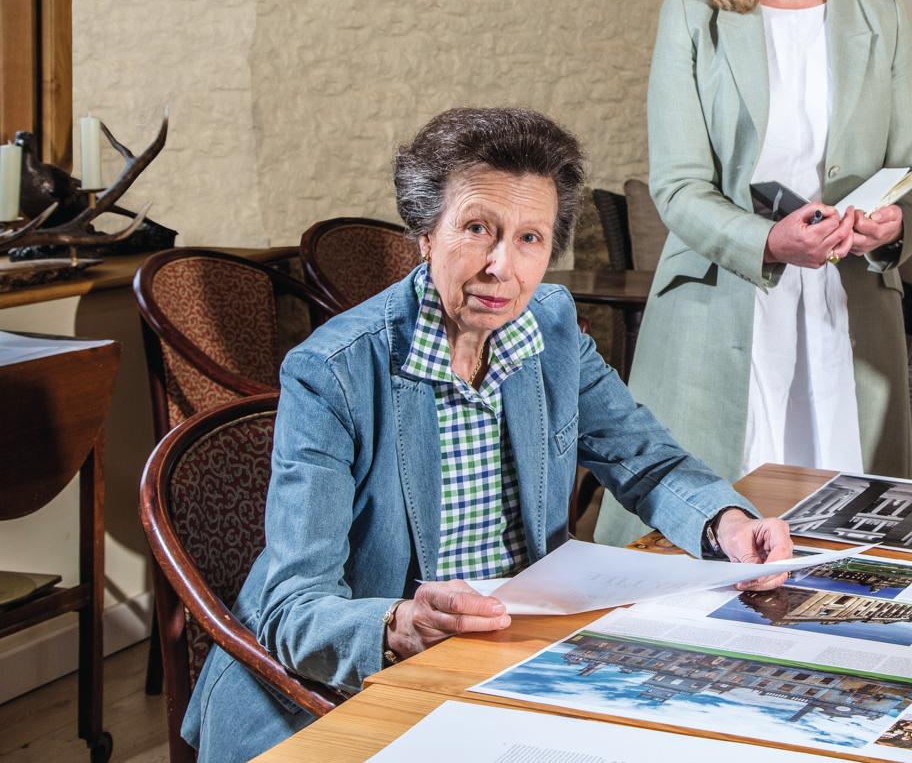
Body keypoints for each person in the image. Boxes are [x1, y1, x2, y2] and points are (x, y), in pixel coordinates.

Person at [183, 108, 794, 763]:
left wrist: (725, 519)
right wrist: (396, 625)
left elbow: (644, 458)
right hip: (336, 691)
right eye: (478, 228)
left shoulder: (552, 330)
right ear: (426, 231)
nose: (503, 265)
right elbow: (291, 606)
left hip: (506, 662)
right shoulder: (332, 373)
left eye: (530, 238)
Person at [599, 0, 912, 543]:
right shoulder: (691, 15)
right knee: (700, 543)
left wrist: (891, 228)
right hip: (721, 311)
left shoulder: (880, 19)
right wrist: (767, 242)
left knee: (850, 540)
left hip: (847, 313)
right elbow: (678, 186)